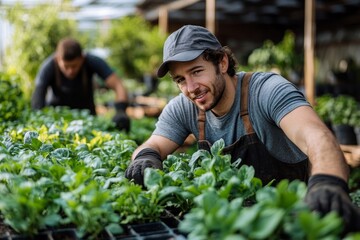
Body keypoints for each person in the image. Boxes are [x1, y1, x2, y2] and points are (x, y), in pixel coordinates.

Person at [125, 25, 360, 233]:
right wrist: (144, 158)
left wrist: (328, 182)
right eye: (180, 80)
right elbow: (153, 144)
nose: (191, 88)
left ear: (222, 63)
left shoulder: (266, 90)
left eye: (197, 72)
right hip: (236, 226)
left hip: (299, 218)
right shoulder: (184, 107)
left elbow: (317, 136)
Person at [31, 37, 130, 132]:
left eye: (74, 66)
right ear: (57, 59)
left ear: (82, 58)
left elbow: (118, 85)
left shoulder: (92, 61)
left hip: (88, 120)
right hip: (57, 121)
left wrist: (120, 111)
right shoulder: (48, 66)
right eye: (66, 67)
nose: (70, 71)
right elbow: (38, 97)